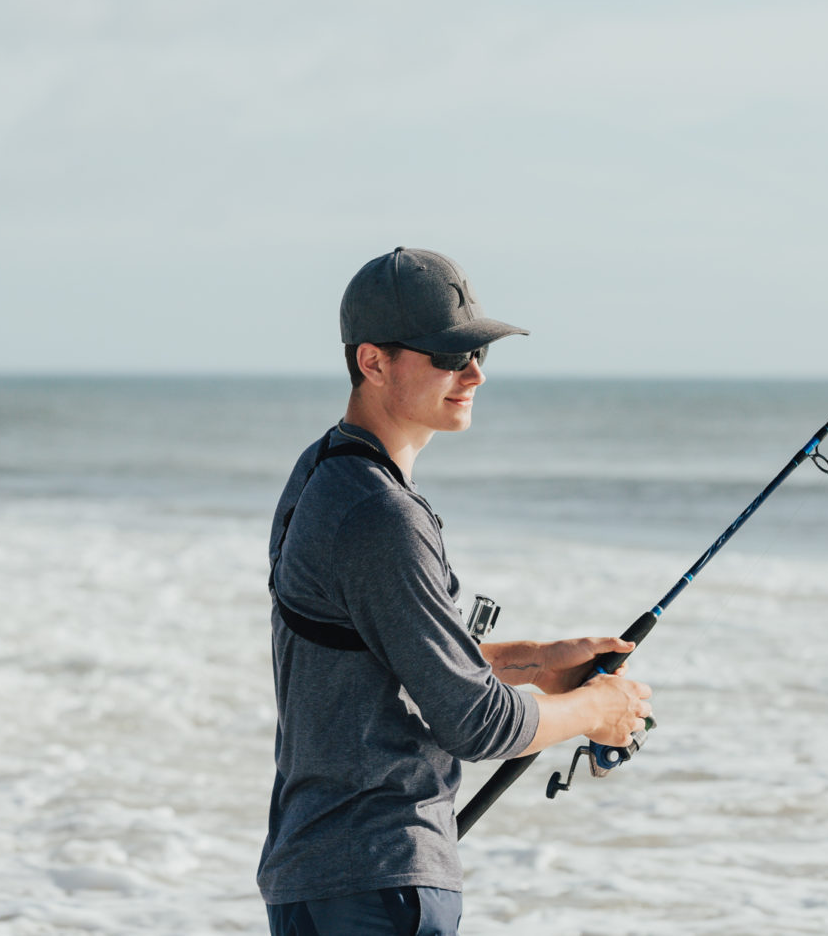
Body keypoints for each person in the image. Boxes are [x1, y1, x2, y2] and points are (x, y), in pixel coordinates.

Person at [259, 247, 655, 936]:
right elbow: (477, 723)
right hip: (379, 884)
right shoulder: (382, 514)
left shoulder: (322, 470)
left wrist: (538, 658)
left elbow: (386, 648)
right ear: (372, 361)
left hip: (320, 877)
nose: (471, 373)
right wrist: (596, 707)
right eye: (447, 356)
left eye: (477, 354)